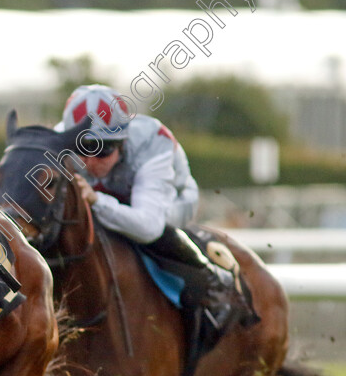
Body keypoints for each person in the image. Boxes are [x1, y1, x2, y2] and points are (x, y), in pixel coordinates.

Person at [54, 84, 254, 331]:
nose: (90, 162)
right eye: (82, 147)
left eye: (103, 150)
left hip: (171, 204)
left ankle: (214, 285)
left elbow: (148, 226)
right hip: (116, 198)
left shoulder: (153, 145)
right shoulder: (58, 138)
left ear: (122, 141)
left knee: (150, 231)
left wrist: (96, 200)